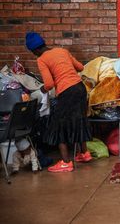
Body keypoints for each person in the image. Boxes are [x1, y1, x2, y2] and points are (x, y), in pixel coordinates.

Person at [25, 32, 92, 173]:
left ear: (34, 50)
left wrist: (42, 89)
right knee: (79, 120)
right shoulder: (62, 51)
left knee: (58, 125)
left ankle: (66, 162)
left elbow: (49, 84)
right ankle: (84, 154)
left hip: (67, 92)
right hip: (80, 88)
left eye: (32, 52)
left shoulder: (41, 59)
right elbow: (80, 67)